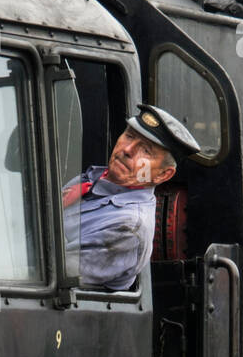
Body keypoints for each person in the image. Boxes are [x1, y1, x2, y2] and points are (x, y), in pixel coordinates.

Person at [63, 103, 201, 291]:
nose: (128, 150)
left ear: (162, 175)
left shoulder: (129, 227)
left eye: (146, 151)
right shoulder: (91, 179)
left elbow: (53, 274)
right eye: (129, 136)